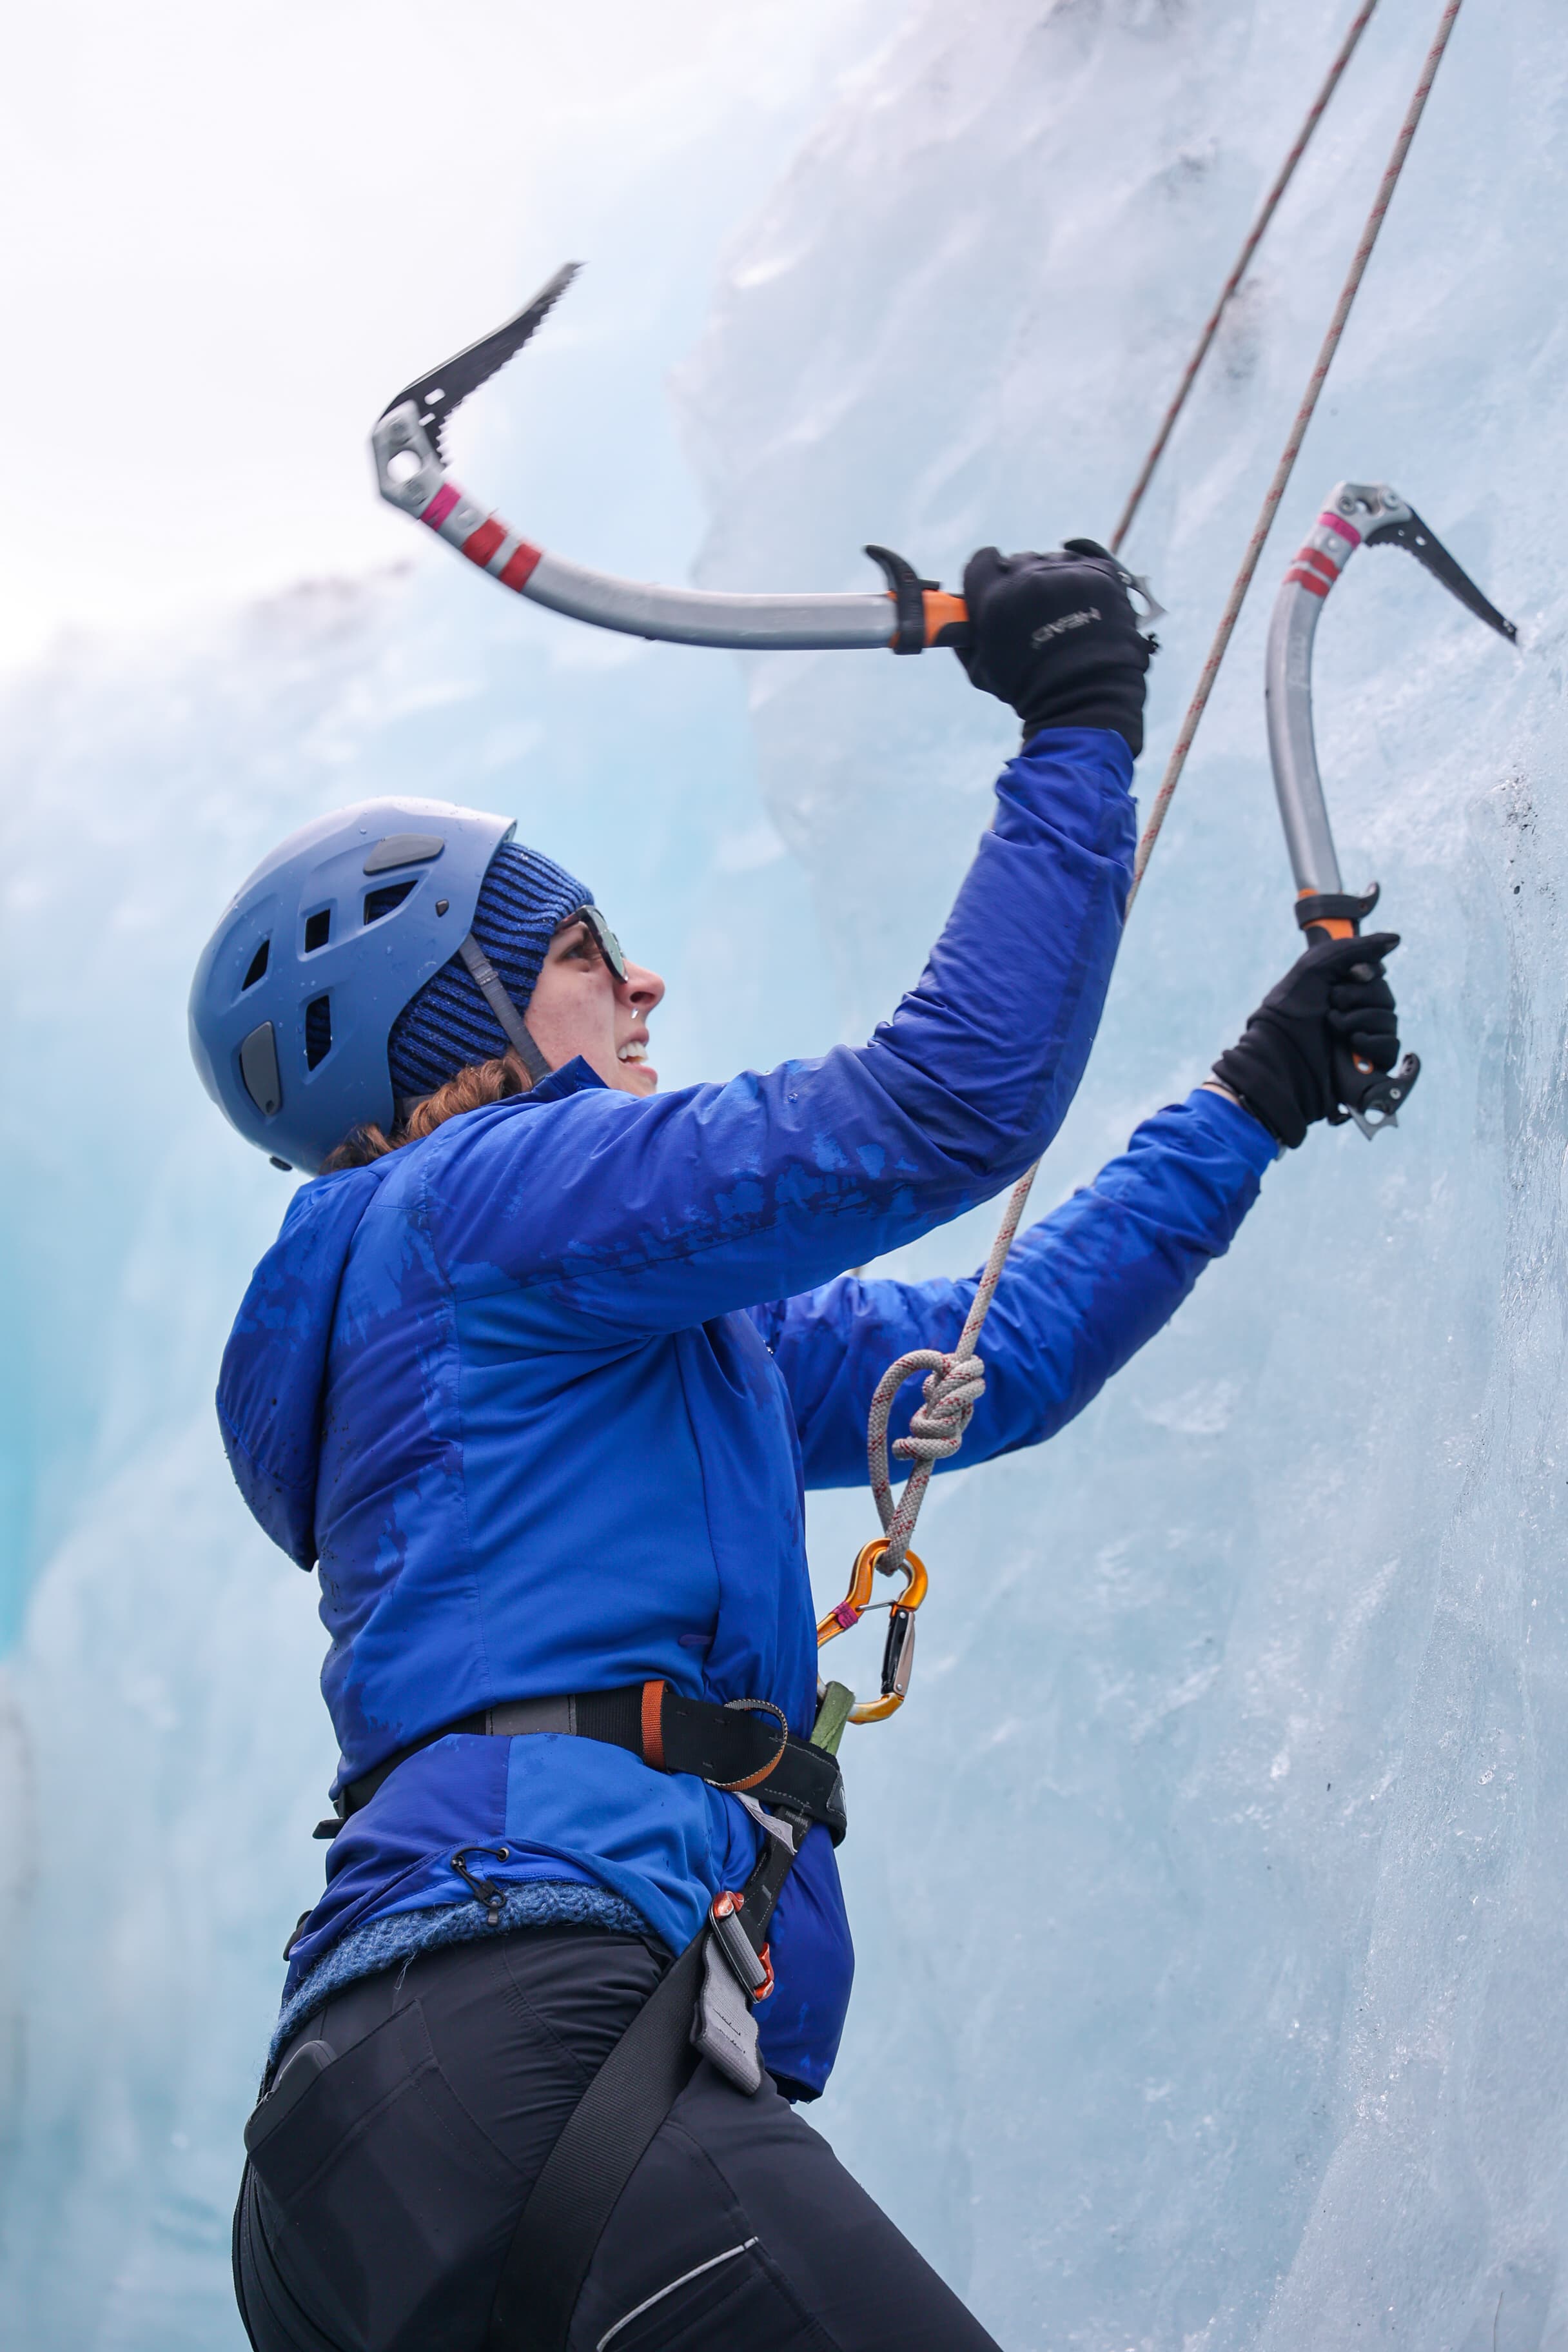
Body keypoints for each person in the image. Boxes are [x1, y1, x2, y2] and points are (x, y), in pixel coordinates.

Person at [190, 544, 1402, 2352]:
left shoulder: (575, 1324)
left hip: (391, 2138)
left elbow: (1003, 1356)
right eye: (584, 953)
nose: (647, 983)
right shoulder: (487, 1201)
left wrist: (1252, 1099)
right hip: (535, 2053)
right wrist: (1074, 724)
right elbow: (943, 1102)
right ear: (450, 1023)